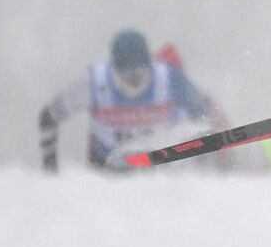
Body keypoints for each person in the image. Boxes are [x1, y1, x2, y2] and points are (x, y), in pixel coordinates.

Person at [38, 29, 213, 171]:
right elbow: (49, 117)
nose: (134, 81)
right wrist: (50, 167)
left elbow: (202, 115)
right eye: (127, 75)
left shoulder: (168, 78)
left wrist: (198, 158)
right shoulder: (94, 81)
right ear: (114, 69)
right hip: (110, 169)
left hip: (162, 168)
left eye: (139, 73)